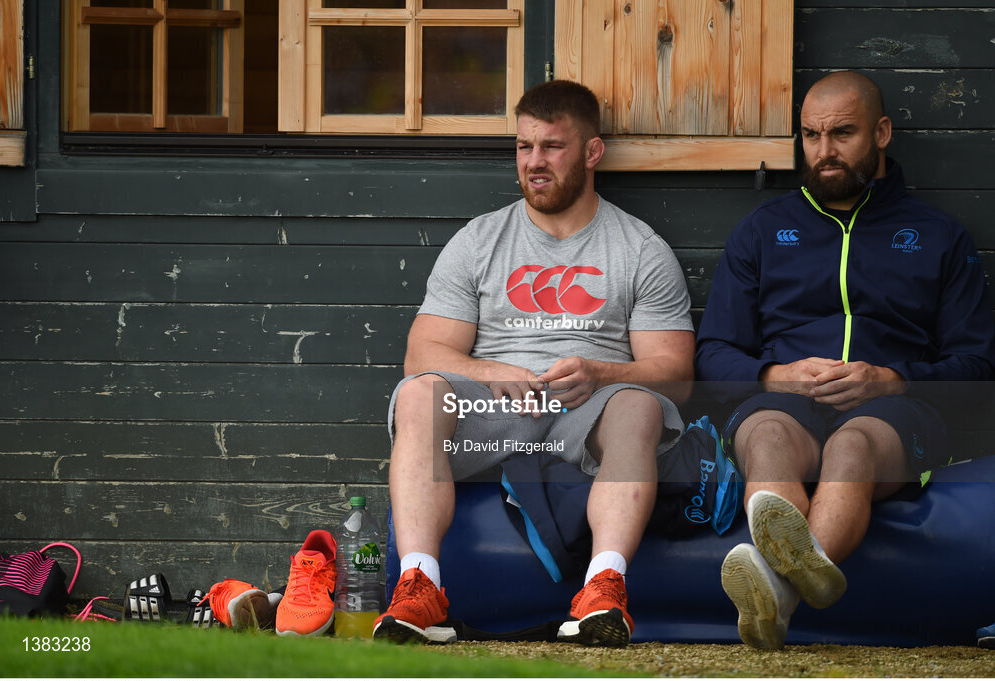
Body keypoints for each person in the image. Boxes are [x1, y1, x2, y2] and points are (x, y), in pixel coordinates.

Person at [372, 80, 695, 648]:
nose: (534, 163)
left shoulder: (640, 248)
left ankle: (604, 589)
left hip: (587, 411)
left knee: (644, 406)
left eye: (551, 147)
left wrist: (602, 373)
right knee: (420, 393)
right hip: (494, 407)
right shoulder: (479, 240)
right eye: (524, 148)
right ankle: (419, 585)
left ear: (592, 153)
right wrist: (493, 370)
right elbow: (421, 356)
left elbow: (675, 372)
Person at [696, 70, 995, 650]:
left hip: (895, 414)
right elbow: (712, 354)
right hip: (785, 403)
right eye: (810, 136)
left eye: (842, 134)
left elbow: (977, 364)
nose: (823, 152)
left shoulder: (939, 236)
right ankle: (782, 596)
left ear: (882, 133)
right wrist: (774, 376)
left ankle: (775, 597)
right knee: (768, 435)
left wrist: (894, 381)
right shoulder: (763, 231)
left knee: (852, 446)